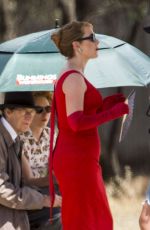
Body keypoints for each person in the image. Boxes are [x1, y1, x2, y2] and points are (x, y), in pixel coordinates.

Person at [50, 20, 129, 230]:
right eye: (92, 37)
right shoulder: (73, 78)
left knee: (95, 220)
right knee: (89, 222)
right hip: (77, 162)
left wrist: (106, 106)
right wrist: (113, 113)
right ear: (77, 45)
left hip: (80, 160)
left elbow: (78, 116)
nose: (97, 41)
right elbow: (76, 123)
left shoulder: (75, 74)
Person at [0, 92, 51, 230]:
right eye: (25, 112)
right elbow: (2, 190)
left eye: (32, 112)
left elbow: (20, 183)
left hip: (15, 213)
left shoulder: (14, 138)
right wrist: (42, 200)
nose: (30, 117)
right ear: (8, 111)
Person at [20, 91, 62, 230]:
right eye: (39, 110)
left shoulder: (51, 135)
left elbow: (54, 169)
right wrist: (56, 179)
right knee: (60, 218)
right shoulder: (20, 139)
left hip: (50, 191)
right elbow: (28, 181)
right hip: (30, 196)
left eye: (48, 109)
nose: (45, 114)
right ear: (29, 112)